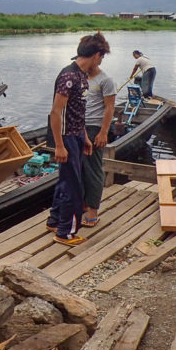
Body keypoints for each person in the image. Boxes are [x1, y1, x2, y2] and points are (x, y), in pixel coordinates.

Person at [46, 33, 109, 246]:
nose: (100, 62)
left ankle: (54, 220)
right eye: (101, 58)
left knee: (67, 180)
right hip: (65, 137)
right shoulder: (69, 77)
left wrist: (85, 136)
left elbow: (77, 111)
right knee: (74, 186)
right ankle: (65, 232)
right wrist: (60, 145)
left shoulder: (83, 76)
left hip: (77, 134)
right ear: (96, 55)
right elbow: (56, 113)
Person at [81, 50, 116, 228]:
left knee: (93, 169)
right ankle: (82, 205)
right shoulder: (80, 77)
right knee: (79, 169)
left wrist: (103, 132)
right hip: (79, 128)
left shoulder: (105, 80)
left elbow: (110, 108)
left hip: (95, 128)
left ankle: (92, 211)